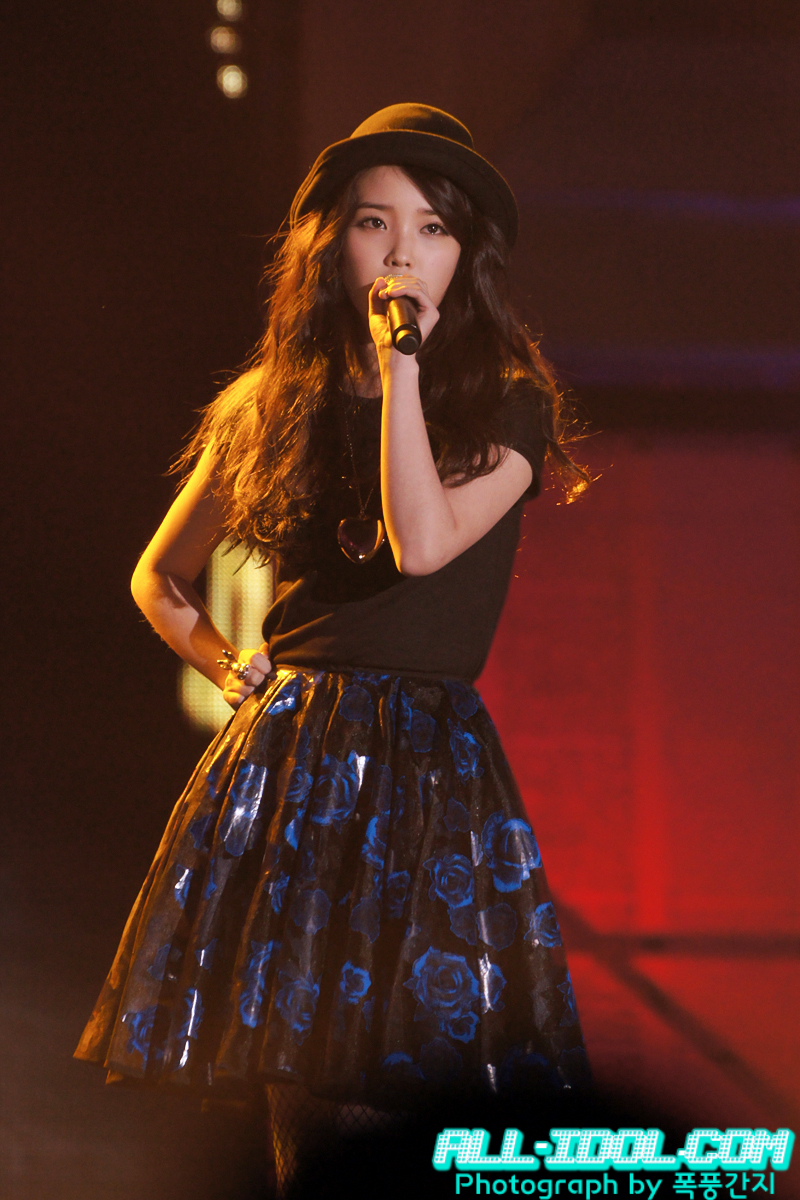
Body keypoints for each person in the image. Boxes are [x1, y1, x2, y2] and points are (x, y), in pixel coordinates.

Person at [75, 103, 590, 1193]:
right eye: (373, 222)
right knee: (303, 1095)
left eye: (432, 229)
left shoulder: (506, 403)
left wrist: (402, 371)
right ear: (332, 246)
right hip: (296, 762)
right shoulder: (270, 406)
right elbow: (157, 577)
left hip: (425, 769)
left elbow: (421, 544)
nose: (401, 251)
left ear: (464, 259)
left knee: (409, 1078)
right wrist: (228, 667)